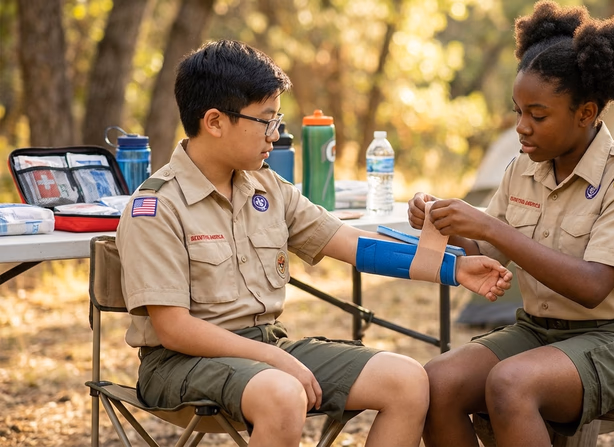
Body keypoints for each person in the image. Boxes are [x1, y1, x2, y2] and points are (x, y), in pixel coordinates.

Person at [116, 39, 512, 447]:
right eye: (265, 120)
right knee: (284, 393)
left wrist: (453, 266)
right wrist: (276, 360)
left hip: (265, 344)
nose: (276, 134)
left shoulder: (268, 188)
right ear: (215, 121)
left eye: (278, 119)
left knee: (408, 381)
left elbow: (356, 245)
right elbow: (174, 329)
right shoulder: (157, 206)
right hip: (181, 362)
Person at [407, 2, 614, 446]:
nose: (522, 128)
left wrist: (491, 228)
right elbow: (485, 259)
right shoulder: (521, 168)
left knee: (511, 384)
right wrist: (449, 224)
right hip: (538, 332)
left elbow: (592, 287)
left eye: (538, 115)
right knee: (436, 383)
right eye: (518, 112)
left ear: (585, 113)